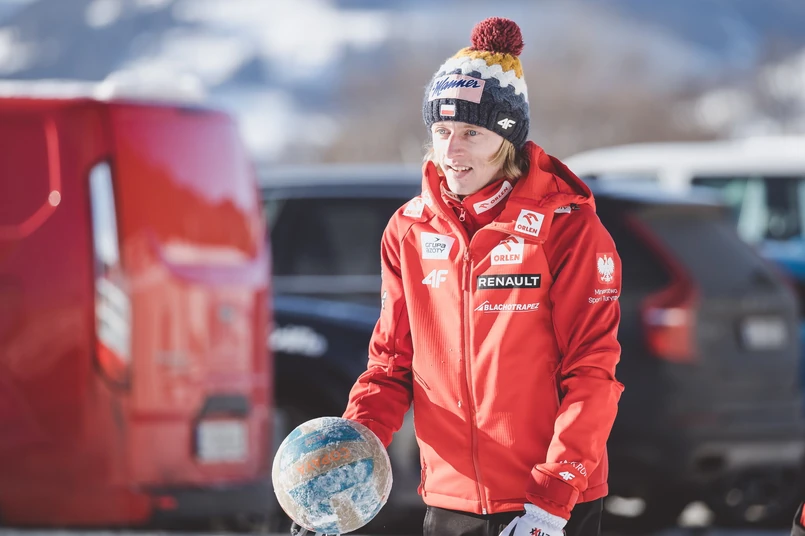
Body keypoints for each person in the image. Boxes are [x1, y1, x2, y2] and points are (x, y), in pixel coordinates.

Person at [342, 16, 624, 536]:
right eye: (442, 132)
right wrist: (345, 462)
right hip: (450, 500)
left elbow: (592, 373)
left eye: (472, 132)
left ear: (507, 137)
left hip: (550, 503)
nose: (452, 151)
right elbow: (390, 366)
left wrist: (552, 501)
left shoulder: (567, 227)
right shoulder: (408, 229)